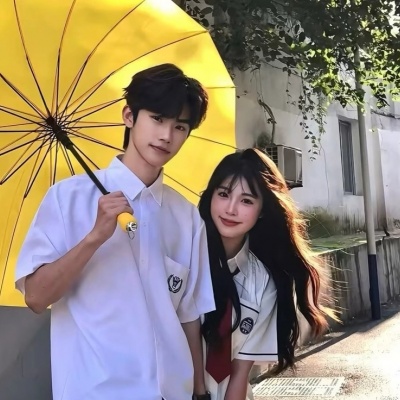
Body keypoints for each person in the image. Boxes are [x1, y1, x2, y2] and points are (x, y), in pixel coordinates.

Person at [15, 64, 214, 400]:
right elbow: (35, 297)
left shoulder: (186, 217)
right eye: (157, 118)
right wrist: (94, 237)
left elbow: (188, 316)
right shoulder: (68, 199)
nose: (167, 135)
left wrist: (199, 392)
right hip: (96, 390)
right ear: (129, 116)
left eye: (180, 126)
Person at [198, 148, 334, 400]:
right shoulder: (185, 260)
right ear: (210, 197)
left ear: (262, 209)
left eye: (246, 201)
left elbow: (240, 373)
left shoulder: (263, 282)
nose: (231, 209)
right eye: (223, 194)